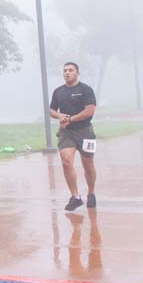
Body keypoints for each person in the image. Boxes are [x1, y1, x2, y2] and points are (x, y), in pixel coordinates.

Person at [50, 61, 98, 211]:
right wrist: (59, 116)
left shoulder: (86, 90)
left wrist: (71, 118)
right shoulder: (58, 91)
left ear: (77, 72)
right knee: (66, 161)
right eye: (65, 70)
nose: (67, 73)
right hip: (66, 132)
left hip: (85, 132)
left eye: (70, 70)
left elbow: (89, 111)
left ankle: (91, 193)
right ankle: (75, 197)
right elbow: (51, 110)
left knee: (88, 165)